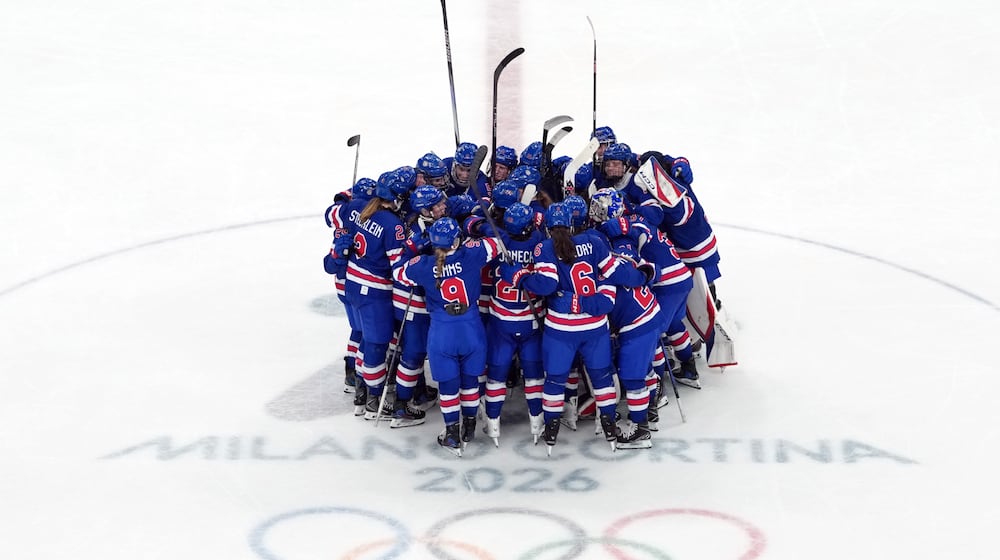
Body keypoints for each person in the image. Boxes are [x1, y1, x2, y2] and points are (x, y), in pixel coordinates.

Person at [499, 203, 652, 454]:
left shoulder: (544, 247)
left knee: (555, 380)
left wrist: (518, 277)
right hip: (594, 329)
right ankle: (609, 426)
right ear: (572, 223)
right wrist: (642, 276)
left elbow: (547, 286)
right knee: (601, 377)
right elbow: (614, 275)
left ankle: (551, 432)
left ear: (547, 228)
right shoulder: (594, 241)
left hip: (560, 329)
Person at [392, 218, 502, 456]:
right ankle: (470, 425)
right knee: (471, 381)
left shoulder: (422, 264)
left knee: (449, 385)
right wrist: (477, 224)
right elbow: (498, 242)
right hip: (471, 328)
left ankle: (452, 433)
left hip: (442, 331)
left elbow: (399, 273)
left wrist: (413, 248)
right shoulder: (472, 255)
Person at [343, 170, 410, 421]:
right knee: (376, 344)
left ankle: (362, 392)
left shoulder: (363, 208)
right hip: (374, 291)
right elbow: (398, 266)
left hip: (353, 283)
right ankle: (373, 399)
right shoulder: (392, 224)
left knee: (366, 340)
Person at [482, 202, 546, 445]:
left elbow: (478, 229)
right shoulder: (540, 243)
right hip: (531, 320)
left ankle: (493, 423)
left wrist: (479, 224)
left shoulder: (499, 241)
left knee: (496, 375)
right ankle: (536, 422)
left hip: (501, 322)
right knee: (534, 375)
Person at [324, 178, 376, 395]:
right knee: (365, 331)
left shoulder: (342, 215)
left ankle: (351, 371)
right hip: (353, 283)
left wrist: (343, 197)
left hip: (344, 284)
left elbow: (331, 212)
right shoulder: (366, 223)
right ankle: (357, 374)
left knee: (358, 329)